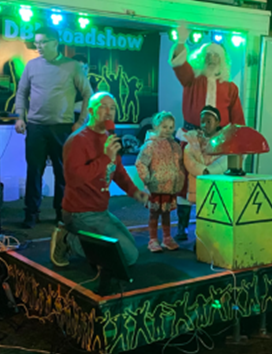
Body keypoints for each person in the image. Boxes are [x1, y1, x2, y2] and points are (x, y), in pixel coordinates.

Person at [50, 92, 150, 268]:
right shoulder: (77, 141)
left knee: (130, 247)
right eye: (103, 107)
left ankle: (85, 242)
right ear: (90, 111)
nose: (109, 112)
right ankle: (68, 239)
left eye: (112, 108)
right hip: (80, 212)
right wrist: (105, 157)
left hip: (101, 210)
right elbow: (75, 180)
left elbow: (117, 171)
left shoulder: (109, 139)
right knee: (128, 257)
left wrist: (135, 192)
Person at [14, 26, 94, 228]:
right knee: (34, 171)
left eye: (43, 42)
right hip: (36, 127)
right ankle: (31, 214)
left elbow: (88, 94)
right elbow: (21, 92)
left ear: (55, 43)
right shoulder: (31, 66)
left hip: (62, 128)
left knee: (62, 172)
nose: (38, 46)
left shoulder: (72, 66)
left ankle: (61, 212)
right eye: (37, 42)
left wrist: (81, 121)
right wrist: (19, 118)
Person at [170, 21, 245, 169]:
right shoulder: (192, 79)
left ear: (222, 60)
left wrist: (240, 147)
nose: (212, 58)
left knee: (217, 179)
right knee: (189, 178)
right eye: (208, 55)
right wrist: (181, 41)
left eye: (216, 55)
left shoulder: (230, 87)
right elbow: (179, 64)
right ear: (202, 58)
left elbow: (237, 120)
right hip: (192, 139)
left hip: (219, 141)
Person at [135, 112, 186, 252]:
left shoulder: (175, 146)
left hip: (170, 187)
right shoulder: (150, 145)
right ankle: (153, 239)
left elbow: (179, 163)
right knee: (154, 213)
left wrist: (179, 177)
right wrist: (148, 179)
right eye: (164, 127)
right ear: (156, 126)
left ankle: (167, 238)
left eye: (170, 127)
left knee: (167, 213)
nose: (168, 130)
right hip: (155, 187)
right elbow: (140, 163)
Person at [180, 106, 229, 242]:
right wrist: (203, 171)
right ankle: (182, 227)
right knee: (187, 202)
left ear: (217, 122)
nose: (205, 125)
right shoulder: (194, 140)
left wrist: (211, 171)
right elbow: (189, 158)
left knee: (210, 208)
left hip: (215, 181)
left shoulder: (224, 141)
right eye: (203, 121)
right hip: (196, 179)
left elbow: (225, 160)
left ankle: (206, 235)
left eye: (209, 121)